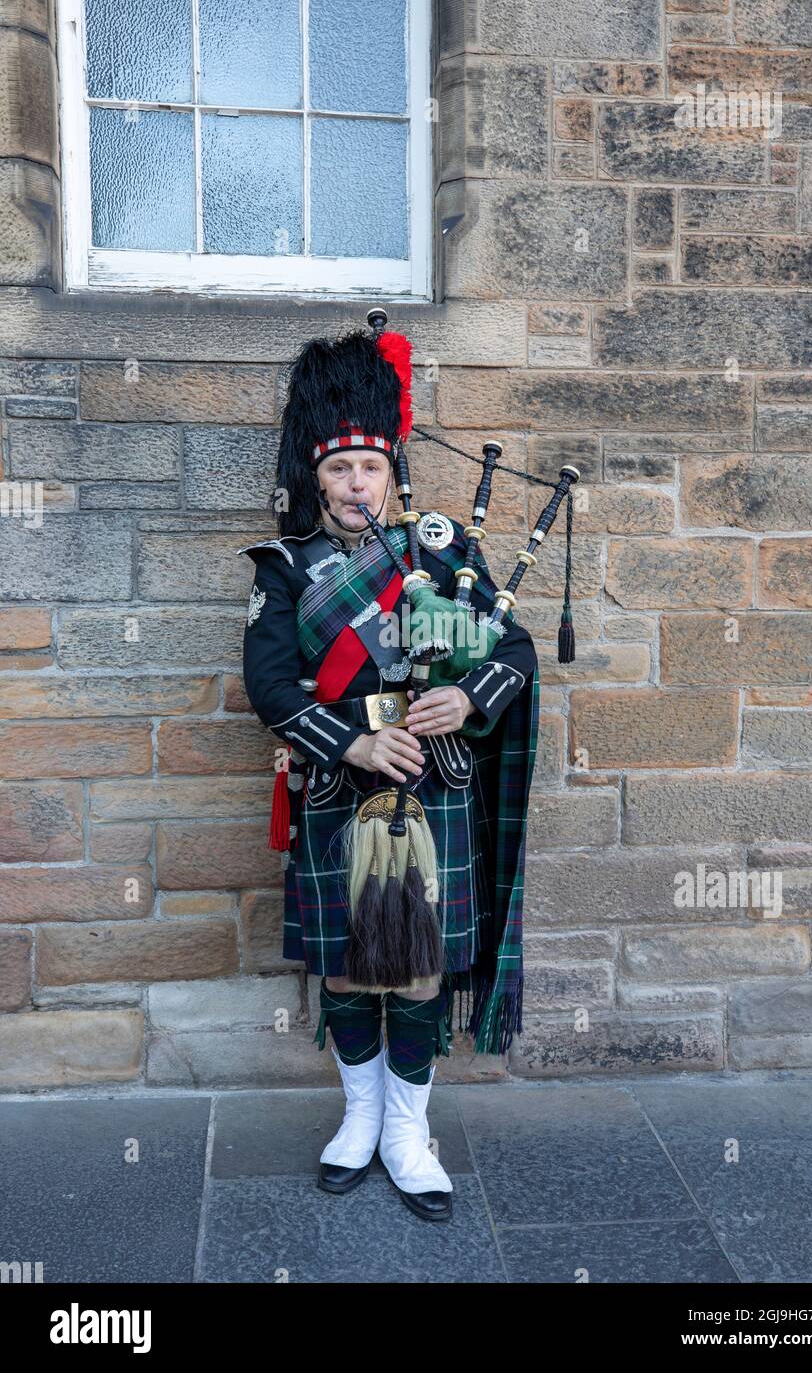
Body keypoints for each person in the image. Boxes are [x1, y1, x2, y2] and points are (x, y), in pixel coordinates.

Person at [240, 326, 539, 1223]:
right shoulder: (287, 569)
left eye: (371, 466)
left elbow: (516, 648)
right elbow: (265, 682)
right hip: (338, 792)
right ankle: (359, 1117)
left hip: (435, 790)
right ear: (316, 479)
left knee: (416, 971)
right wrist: (353, 743)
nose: (357, 484)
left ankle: (409, 1132)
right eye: (340, 471)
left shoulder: (444, 554)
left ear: (392, 470)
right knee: (343, 971)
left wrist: (466, 702)